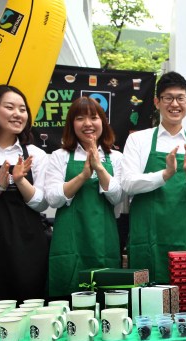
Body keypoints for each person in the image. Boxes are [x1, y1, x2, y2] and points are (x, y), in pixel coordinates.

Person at [121, 71, 186, 283]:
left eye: (180, 98)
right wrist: (165, 174)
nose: (175, 104)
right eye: (168, 98)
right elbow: (127, 184)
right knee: (149, 306)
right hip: (148, 239)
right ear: (157, 102)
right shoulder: (138, 141)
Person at [45, 96, 123, 297]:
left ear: (103, 123)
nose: (88, 124)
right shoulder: (59, 156)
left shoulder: (115, 158)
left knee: (107, 301)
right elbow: (53, 198)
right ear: (72, 124)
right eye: (80, 118)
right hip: (69, 242)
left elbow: (117, 197)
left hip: (104, 241)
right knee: (67, 298)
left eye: (93, 117)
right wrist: (83, 176)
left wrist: (99, 168)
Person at [0, 85, 49, 303]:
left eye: (22, 109)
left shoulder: (35, 154)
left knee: (30, 303)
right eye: (9, 107)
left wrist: (20, 181)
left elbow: (42, 203)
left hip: (28, 242)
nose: (17, 114)